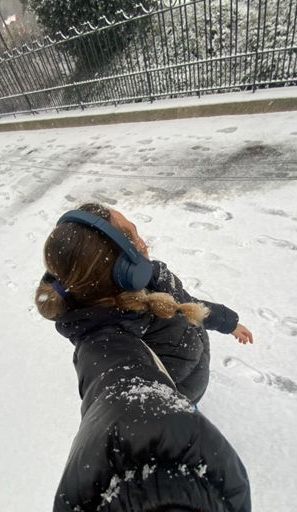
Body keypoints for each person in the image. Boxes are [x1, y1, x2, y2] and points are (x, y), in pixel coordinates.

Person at [36, 203, 252, 511]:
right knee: (182, 410)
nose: (141, 242)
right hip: (173, 390)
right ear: (121, 265)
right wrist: (151, 484)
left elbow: (190, 305)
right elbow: (122, 394)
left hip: (189, 372)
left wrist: (229, 322)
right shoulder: (105, 336)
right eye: (130, 236)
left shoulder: (154, 280)